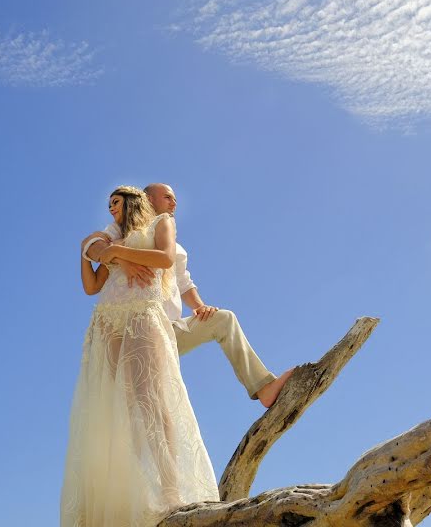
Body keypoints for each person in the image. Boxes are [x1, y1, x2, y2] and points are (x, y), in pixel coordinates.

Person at [61, 186, 219, 527]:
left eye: (115, 203)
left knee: (152, 398)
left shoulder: (159, 224)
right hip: (108, 322)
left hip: (141, 315)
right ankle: (135, 489)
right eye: (108, 205)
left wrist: (119, 254)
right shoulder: (114, 238)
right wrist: (95, 254)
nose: (110, 209)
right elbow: (91, 286)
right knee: (120, 402)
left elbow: (164, 259)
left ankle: (170, 486)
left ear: (133, 201)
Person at [84, 183, 293, 408]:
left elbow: (183, 283)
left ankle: (263, 387)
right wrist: (120, 257)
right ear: (149, 199)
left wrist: (200, 306)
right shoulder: (124, 232)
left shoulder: (174, 244)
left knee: (224, 319)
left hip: (169, 328)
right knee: (147, 401)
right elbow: (93, 247)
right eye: (168, 197)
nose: (174, 203)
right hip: (133, 330)